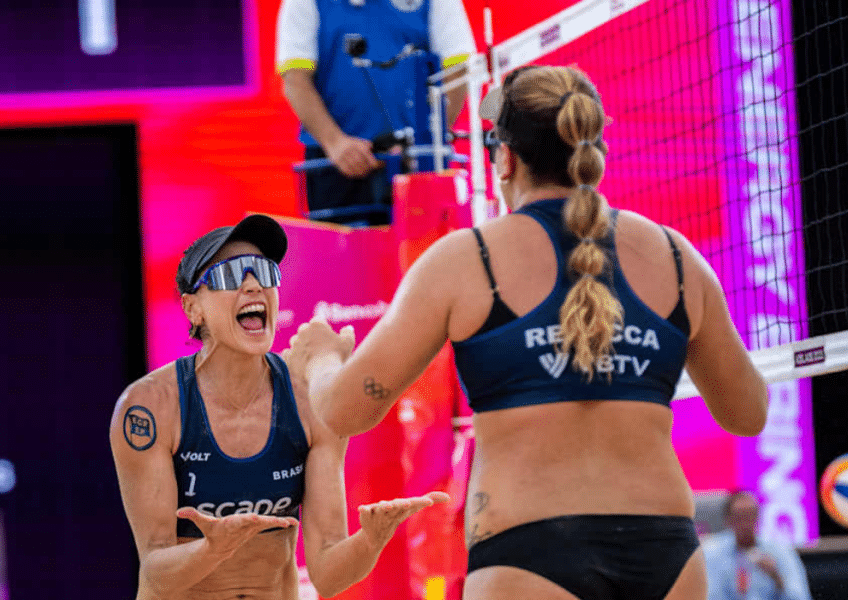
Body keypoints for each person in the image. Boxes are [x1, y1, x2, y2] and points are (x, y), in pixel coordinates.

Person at [285, 64, 770, 600]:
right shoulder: (677, 259)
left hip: (529, 554)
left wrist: (320, 360)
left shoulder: (468, 260)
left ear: (506, 159)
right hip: (666, 555)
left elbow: (345, 411)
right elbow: (747, 414)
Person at [110, 214, 447, 600]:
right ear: (193, 309)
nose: (253, 285)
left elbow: (328, 572)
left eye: (264, 272)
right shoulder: (151, 406)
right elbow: (157, 569)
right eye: (231, 275)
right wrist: (213, 548)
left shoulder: (309, 401)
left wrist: (370, 541)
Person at [277, 0, 477, 225]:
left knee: (425, 251)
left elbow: (458, 70)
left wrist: (425, 144)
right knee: (341, 258)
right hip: (334, 167)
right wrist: (335, 143)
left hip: (418, 167)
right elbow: (295, 81)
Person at [702, 490, 813, 600]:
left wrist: (776, 578)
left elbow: (801, 597)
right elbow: (711, 596)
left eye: (751, 516)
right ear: (728, 520)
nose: (746, 524)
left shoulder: (780, 550)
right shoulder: (712, 553)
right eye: (740, 518)